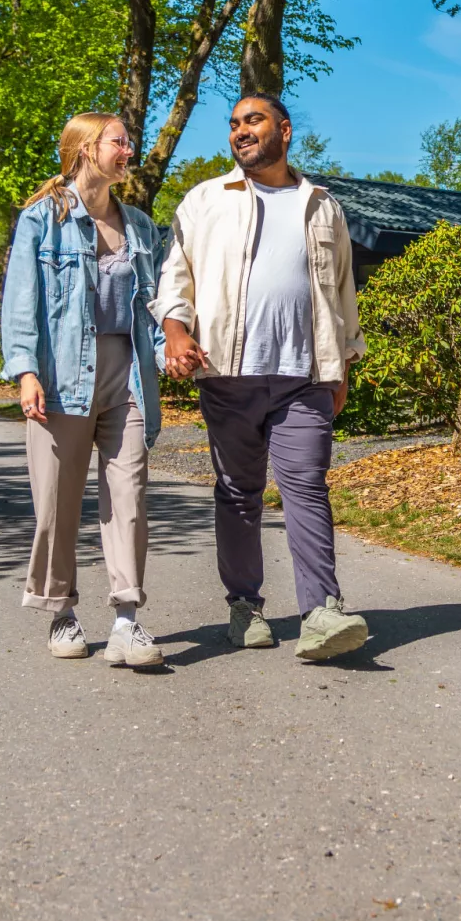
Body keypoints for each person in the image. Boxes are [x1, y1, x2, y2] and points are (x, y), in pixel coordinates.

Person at [153, 93, 369, 660]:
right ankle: (244, 606)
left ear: (285, 130)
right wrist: (175, 335)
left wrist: (342, 364)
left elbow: (342, 292)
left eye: (253, 121)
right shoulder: (205, 200)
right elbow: (175, 280)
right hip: (228, 374)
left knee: (307, 488)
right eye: (234, 125)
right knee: (239, 493)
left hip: (305, 377)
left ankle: (322, 612)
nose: (240, 132)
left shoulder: (323, 206)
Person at [2, 112, 167, 668]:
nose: (130, 149)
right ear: (87, 148)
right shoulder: (41, 219)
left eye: (128, 141)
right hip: (60, 376)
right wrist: (25, 370)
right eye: (120, 141)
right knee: (56, 504)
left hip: (128, 373)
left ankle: (127, 620)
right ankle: (60, 612)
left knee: (131, 498)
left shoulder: (141, 226)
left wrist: (176, 350)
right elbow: (20, 301)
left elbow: (157, 305)